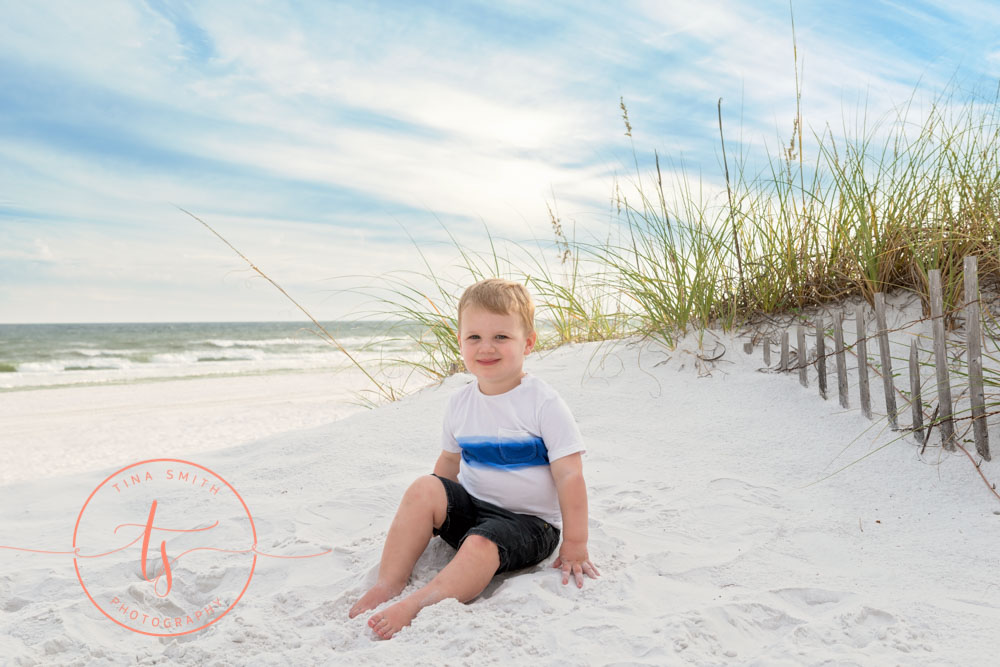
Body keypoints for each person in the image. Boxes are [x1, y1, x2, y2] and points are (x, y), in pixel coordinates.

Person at [348, 278, 599, 639]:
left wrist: (575, 543)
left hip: (529, 525)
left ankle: (418, 602)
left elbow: (570, 475)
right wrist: (435, 512)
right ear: (460, 341)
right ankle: (389, 583)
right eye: (474, 337)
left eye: (501, 337)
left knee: (482, 543)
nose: (486, 348)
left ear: (528, 342)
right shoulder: (460, 403)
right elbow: (449, 464)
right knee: (424, 486)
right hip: (476, 509)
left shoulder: (543, 403)